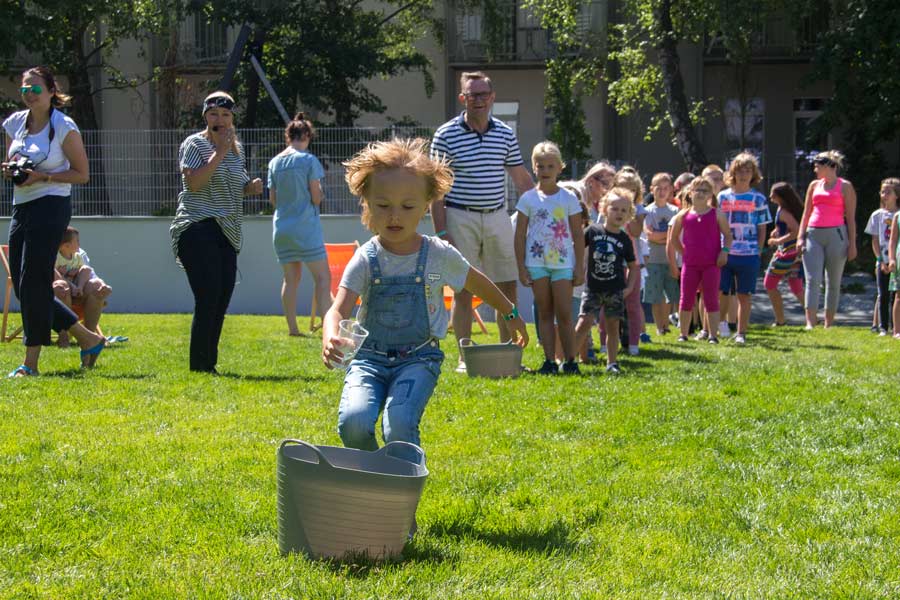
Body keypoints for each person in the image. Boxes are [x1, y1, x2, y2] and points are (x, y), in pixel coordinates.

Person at [322, 138, 528, 467]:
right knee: (354, 424)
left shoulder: (437, 254)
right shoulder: (366, 257)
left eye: (407, 206)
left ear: (426, 205)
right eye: (383, 205)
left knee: (399, 425)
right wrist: (331, 334)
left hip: (418, 358)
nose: (394, 216)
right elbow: (339, 308)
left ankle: (401, 500)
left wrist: (510, 311)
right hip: (368, 360)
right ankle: (378, 475)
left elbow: (475, 280)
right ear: (367, 204)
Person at [2, 66, 105, 377]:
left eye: (35, 88)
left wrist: (43, 175)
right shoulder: (15, 123)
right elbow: (8, 161)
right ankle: (88, 338)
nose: (29, 93)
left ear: (50, 92)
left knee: (34, 282)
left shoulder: (64, 125)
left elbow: (82, 174)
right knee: (24, 287)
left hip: (51, 206)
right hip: (22, 206)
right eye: (24, 88)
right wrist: (10, 170)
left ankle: (29, 364)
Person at [430, 71, 534, 372]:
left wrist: (552, 204)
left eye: (483, 94)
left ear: (492, 97)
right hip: (459, 216)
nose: (478, 99)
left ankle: (509, 357)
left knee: (506, 289)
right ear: (462, 98)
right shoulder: (445, 134)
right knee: (464, 290)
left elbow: (521, 177)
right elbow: (437, 189)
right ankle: (465, 358)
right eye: (471, 94)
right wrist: (441, 231)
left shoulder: (504, 133)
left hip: (498, 216)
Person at [170, 91, 263, 373]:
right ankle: (199, 366)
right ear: (205, 117)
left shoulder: (237, 148)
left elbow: (236, 184)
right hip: (197, 227)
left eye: (225, 115)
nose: (220, 119)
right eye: (214, 114)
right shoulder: (195, 144)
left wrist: (250, 187)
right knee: (208, 295)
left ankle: (208, 364)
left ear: (232, 118)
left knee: (221, 297)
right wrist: (219, 151)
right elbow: (195, 184)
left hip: (227, 230)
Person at [514, 141, 584, 375]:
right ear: (534, 168)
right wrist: (521, 267)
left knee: (564, 313)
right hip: (537, 265)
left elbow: (577, 234)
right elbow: (520, 235)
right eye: (540, 166)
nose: (545, 171)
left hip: (563, 264)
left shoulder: (569, 199)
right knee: (544, 312)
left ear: (559, 168)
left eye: (550, 166)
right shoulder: (528, 199)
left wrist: (580, 266)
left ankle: (570, 360)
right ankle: (549, 361)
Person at [267, 112, 331, 337]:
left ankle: (293, 329)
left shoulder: (274, 162)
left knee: (290, 279)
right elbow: (316, 197)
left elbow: (273, 200)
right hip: (306, 228)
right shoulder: (308, 160)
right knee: (323, 278)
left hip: (282, 228)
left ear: (288, 136)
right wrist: (320, 193)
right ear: (306, 135)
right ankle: (328, 328)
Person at [573, 187, 638, 374]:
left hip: (615, 290)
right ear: (604, 209)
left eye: (624, 210)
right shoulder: (592, 231)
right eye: (615, 208)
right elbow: (576, 248)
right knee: (584, 323)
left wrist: (630, 286)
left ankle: (612, 363)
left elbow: (633, 266)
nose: (619, 213)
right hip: (592, 288)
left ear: (629, 215)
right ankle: (571, 359)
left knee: (612, 326)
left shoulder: (625, 239)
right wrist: (577, 269)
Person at [797, 150, 857, 329]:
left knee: (833, 280)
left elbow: (851, 218)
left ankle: (829, 322)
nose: (815, 170)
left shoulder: (845, 186)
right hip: (813, 233)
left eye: (818, 166)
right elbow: (806, 212)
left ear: (830, 166)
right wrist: (801, 236)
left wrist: (852, 244)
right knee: (812, 278)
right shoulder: (814, 185)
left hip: (836, 235)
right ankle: (810, 321)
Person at [668, 177, 733, 343]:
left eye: (705, 191)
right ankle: (683, 334)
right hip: (690, 265)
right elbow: (674, 238)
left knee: (711, 298)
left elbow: (727, 235)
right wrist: (683, 252)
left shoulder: (716, 214)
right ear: (690, 192)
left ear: (711, 194)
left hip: (711, 264)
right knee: (686, 298)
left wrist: (724, 252)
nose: (701, 194)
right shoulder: (683, 215)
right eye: (697, 190)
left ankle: (712, 335)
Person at [717, 152, 771, 344]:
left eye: (748, 170)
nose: (744, 174)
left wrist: (759, 250)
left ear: (753, 174)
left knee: (744, 294)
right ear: (733, 172)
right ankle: (720, 325)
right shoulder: (722, 197)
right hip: (726, 253)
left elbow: (762, 227)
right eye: (740, 170)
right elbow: (716, 224)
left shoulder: (758, 198)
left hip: (749, 254)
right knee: (722, 291)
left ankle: (741, 332)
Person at [53, 226, 112, 347]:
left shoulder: (78, 255)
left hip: (79, 292)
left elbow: (90, 274)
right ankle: (63, 336)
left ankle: (90, 337)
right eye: (77, 241)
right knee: (61, 284)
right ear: (66, 245)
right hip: (59, 297)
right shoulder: (53, 255)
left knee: (91, 278)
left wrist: (99, 284)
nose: (79, 244)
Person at [764, 182, 806, 327]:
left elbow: (795, 230)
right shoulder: (782, 210)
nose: (770, 197)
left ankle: (780, 320)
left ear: (781, 197)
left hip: (787, 252)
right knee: (796, 285)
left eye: (773, 195)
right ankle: (812, 316)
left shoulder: (783, 212)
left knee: (769, 283)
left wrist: (776, 240)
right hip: (795, 253)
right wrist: (777, 231)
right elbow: (785, 227)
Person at [643, 172, 680, 335]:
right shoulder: (647, 211)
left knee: (670, 295)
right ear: (652, 189)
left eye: (666, 188)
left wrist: (661, 238)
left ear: (671, 190)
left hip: (671, 259)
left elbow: (678, 235)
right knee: (655, 296)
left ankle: (666, 324)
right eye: (658, 188)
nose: (662, 191)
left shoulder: (675, 211)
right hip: (653, 259)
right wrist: (667, 237)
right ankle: (660, 327)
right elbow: (650, 236)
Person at [864, 178, 899, 335]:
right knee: (883, 293)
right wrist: (879, 260)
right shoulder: (877, 215)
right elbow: (875, 240)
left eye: (888, 192)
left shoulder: (898, 215)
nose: (884, 195)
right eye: (882, 191)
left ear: (896, 195)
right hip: (883, 261)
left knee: (895, 295)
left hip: (897, 261)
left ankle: (895, 327)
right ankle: (883, 327)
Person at [887, 207, 900, 339]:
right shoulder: (897, 216)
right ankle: (897, 330)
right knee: (899, 295)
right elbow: (893, 240)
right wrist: (891, 259)